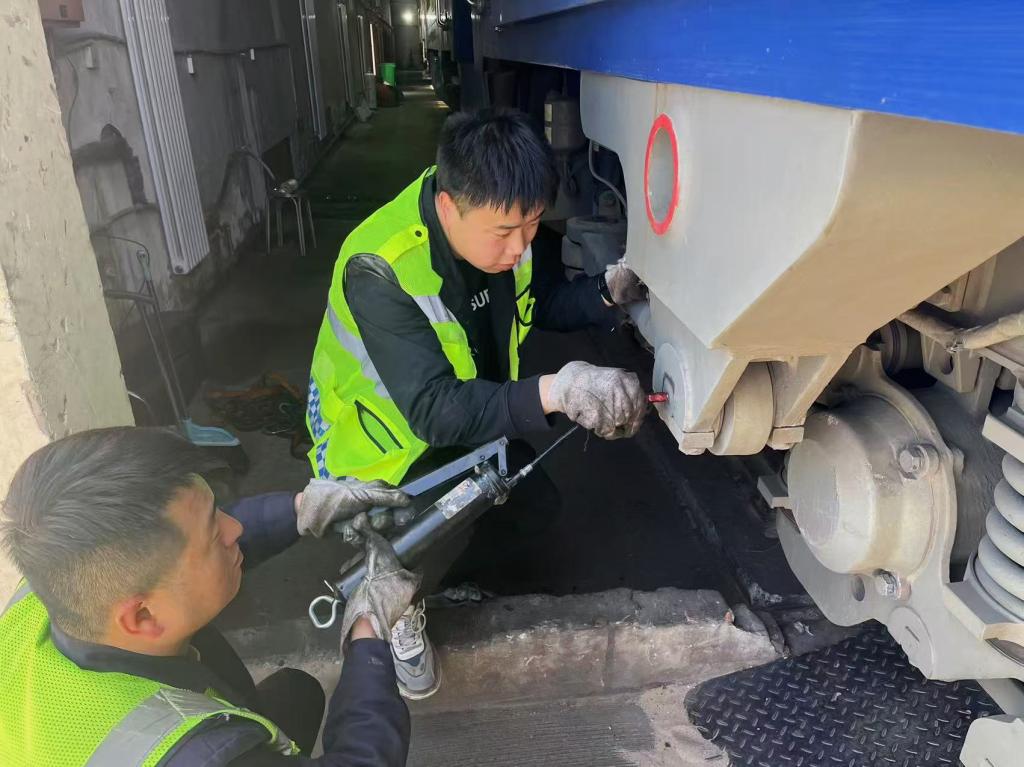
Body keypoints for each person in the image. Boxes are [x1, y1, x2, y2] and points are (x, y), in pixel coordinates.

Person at [306, 108, 650, 699]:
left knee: (533, 506)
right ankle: (389, 598)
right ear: (448, 207)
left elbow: (538, 303)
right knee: (429, 523)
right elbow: (434, 410)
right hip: (380, 459)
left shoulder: (504, 226)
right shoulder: (379, 268)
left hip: (466, 423)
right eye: (505, 232)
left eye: (533, 226)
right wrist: (558, 390)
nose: (520, 247)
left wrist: (605, 293)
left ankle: (436, 584)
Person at [0, 427, 420, 766]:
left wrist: (300, 510)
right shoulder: (192, 757)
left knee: (297, 692)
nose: (235, 528)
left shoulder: (59, 583)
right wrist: (369, 634)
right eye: (213, 532)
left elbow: (176, 558)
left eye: (216, 509)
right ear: (143, 617)